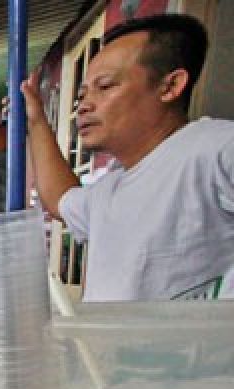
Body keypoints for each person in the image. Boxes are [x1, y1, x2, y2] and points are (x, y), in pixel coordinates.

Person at [20, 13, 234, 301]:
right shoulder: (111, 188)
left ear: (169, 86)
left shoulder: (214, 148)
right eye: (82, 95)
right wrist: (35, 119)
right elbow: (60, 199)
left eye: (105, 86)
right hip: (110, 346)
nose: (83, 106)